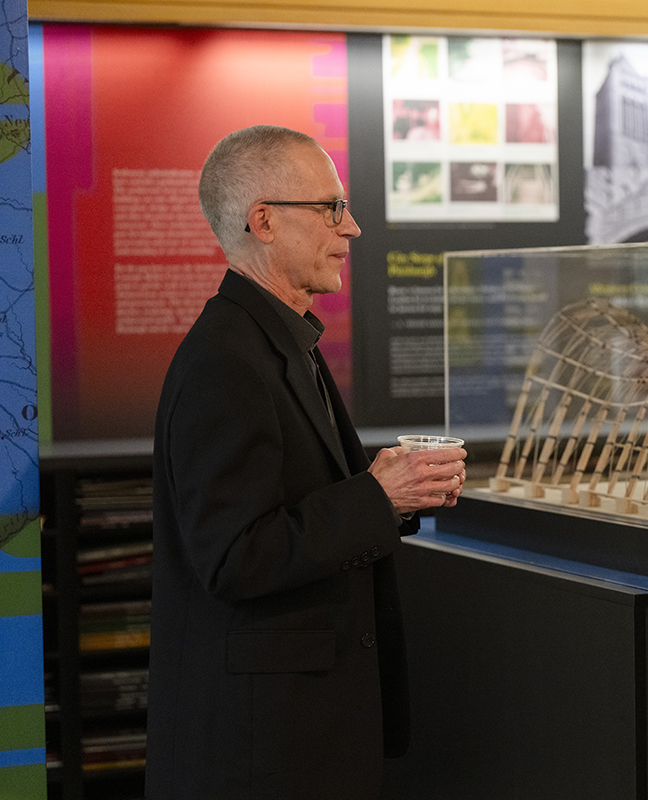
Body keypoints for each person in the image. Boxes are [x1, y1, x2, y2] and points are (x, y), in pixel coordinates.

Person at [147, 124, 467, 800]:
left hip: (298, 733)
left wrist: (395, 498)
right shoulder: (225, 361)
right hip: (263, 750)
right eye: (331, 208)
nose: (349, 230)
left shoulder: (277, 341)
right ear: (262, 221)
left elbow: (296, 508)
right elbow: (235, 555)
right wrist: (377, 499)